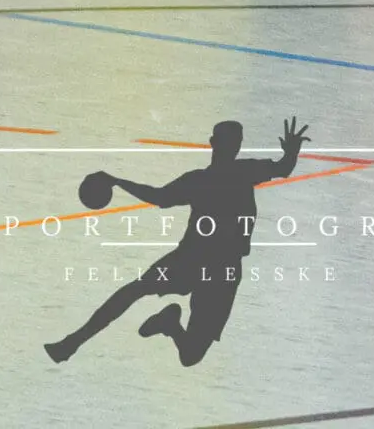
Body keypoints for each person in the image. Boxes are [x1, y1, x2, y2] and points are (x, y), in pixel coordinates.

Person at [45, 118, 308, 367]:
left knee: (190, 356)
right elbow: (160, 197)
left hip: (222, 269)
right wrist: (118, 182)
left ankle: (170, 324)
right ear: (215, 143)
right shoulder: (211, 178)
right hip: (193, 259)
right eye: (230, 141)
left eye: (235, 142)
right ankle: (72, 342)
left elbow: (283, 168)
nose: (233, 146)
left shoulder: (238, 172)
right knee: (135, 289)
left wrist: (292, 152)